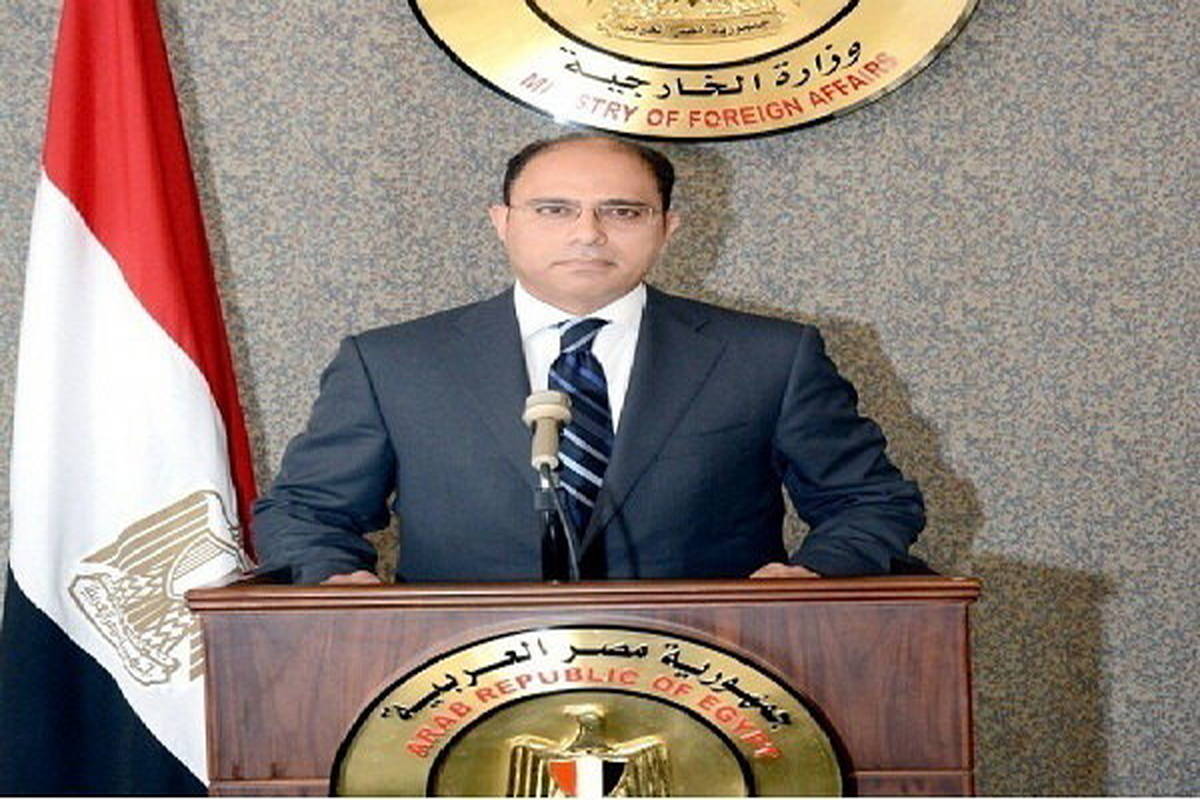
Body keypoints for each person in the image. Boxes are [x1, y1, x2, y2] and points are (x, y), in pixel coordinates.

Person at [251, 134, 925, 585]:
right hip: (460, 679)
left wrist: (811, 579)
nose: (587, 234)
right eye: (554, 210)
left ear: (667, 228)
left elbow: (870, 501)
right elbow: (306, 512)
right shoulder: (392, 364)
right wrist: (336, 583)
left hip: (710, 677)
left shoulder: (769, 358)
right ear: (502, 222)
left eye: (623, 212)